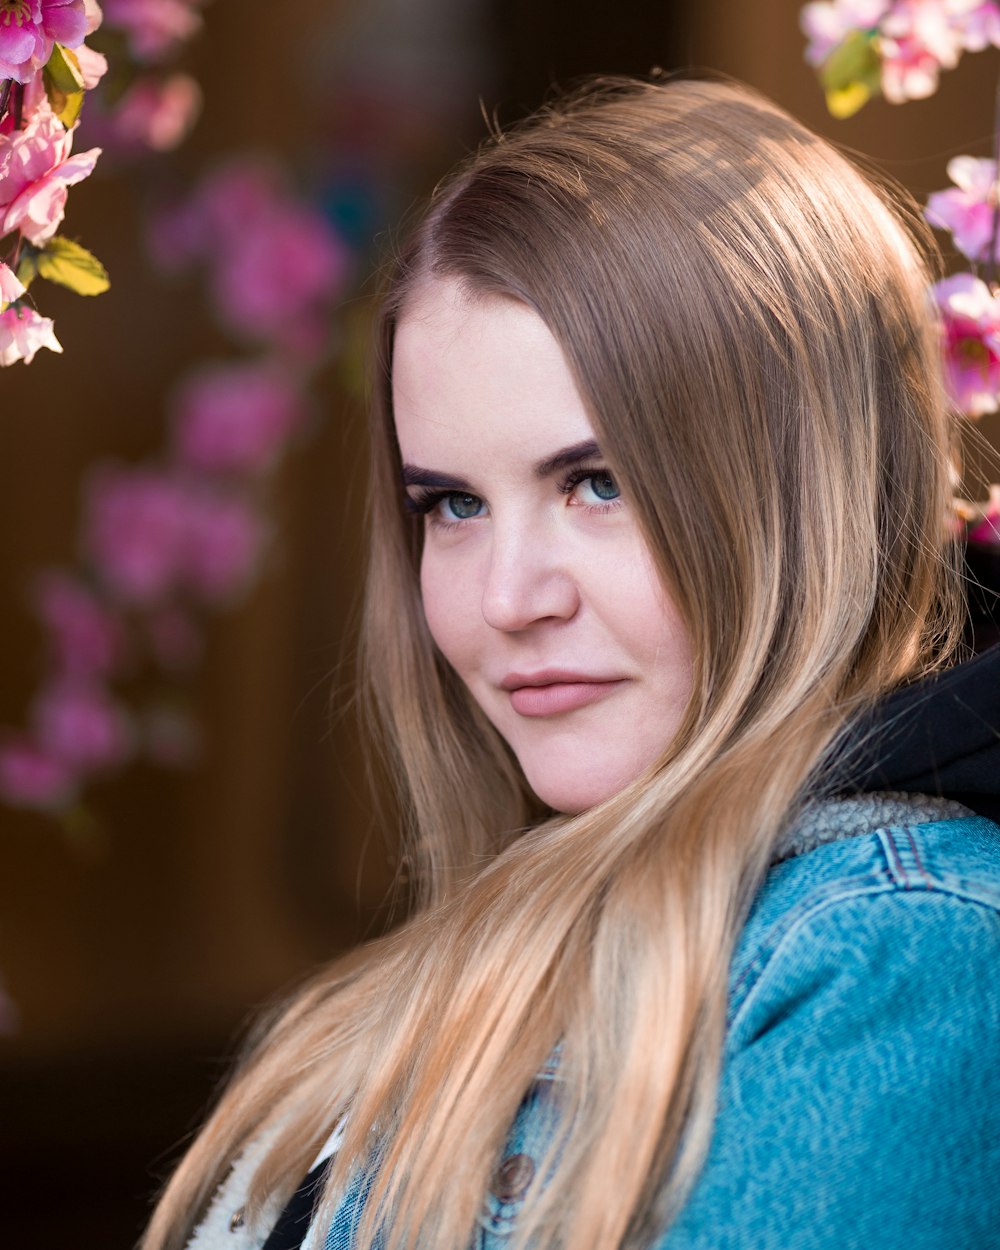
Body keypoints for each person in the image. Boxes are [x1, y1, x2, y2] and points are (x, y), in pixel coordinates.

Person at [142, 75, 1000, 1250]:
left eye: (597, 484)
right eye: (450, 504)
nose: (506, 599)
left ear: (808, 493)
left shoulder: (895, 947)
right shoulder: (483, 944)